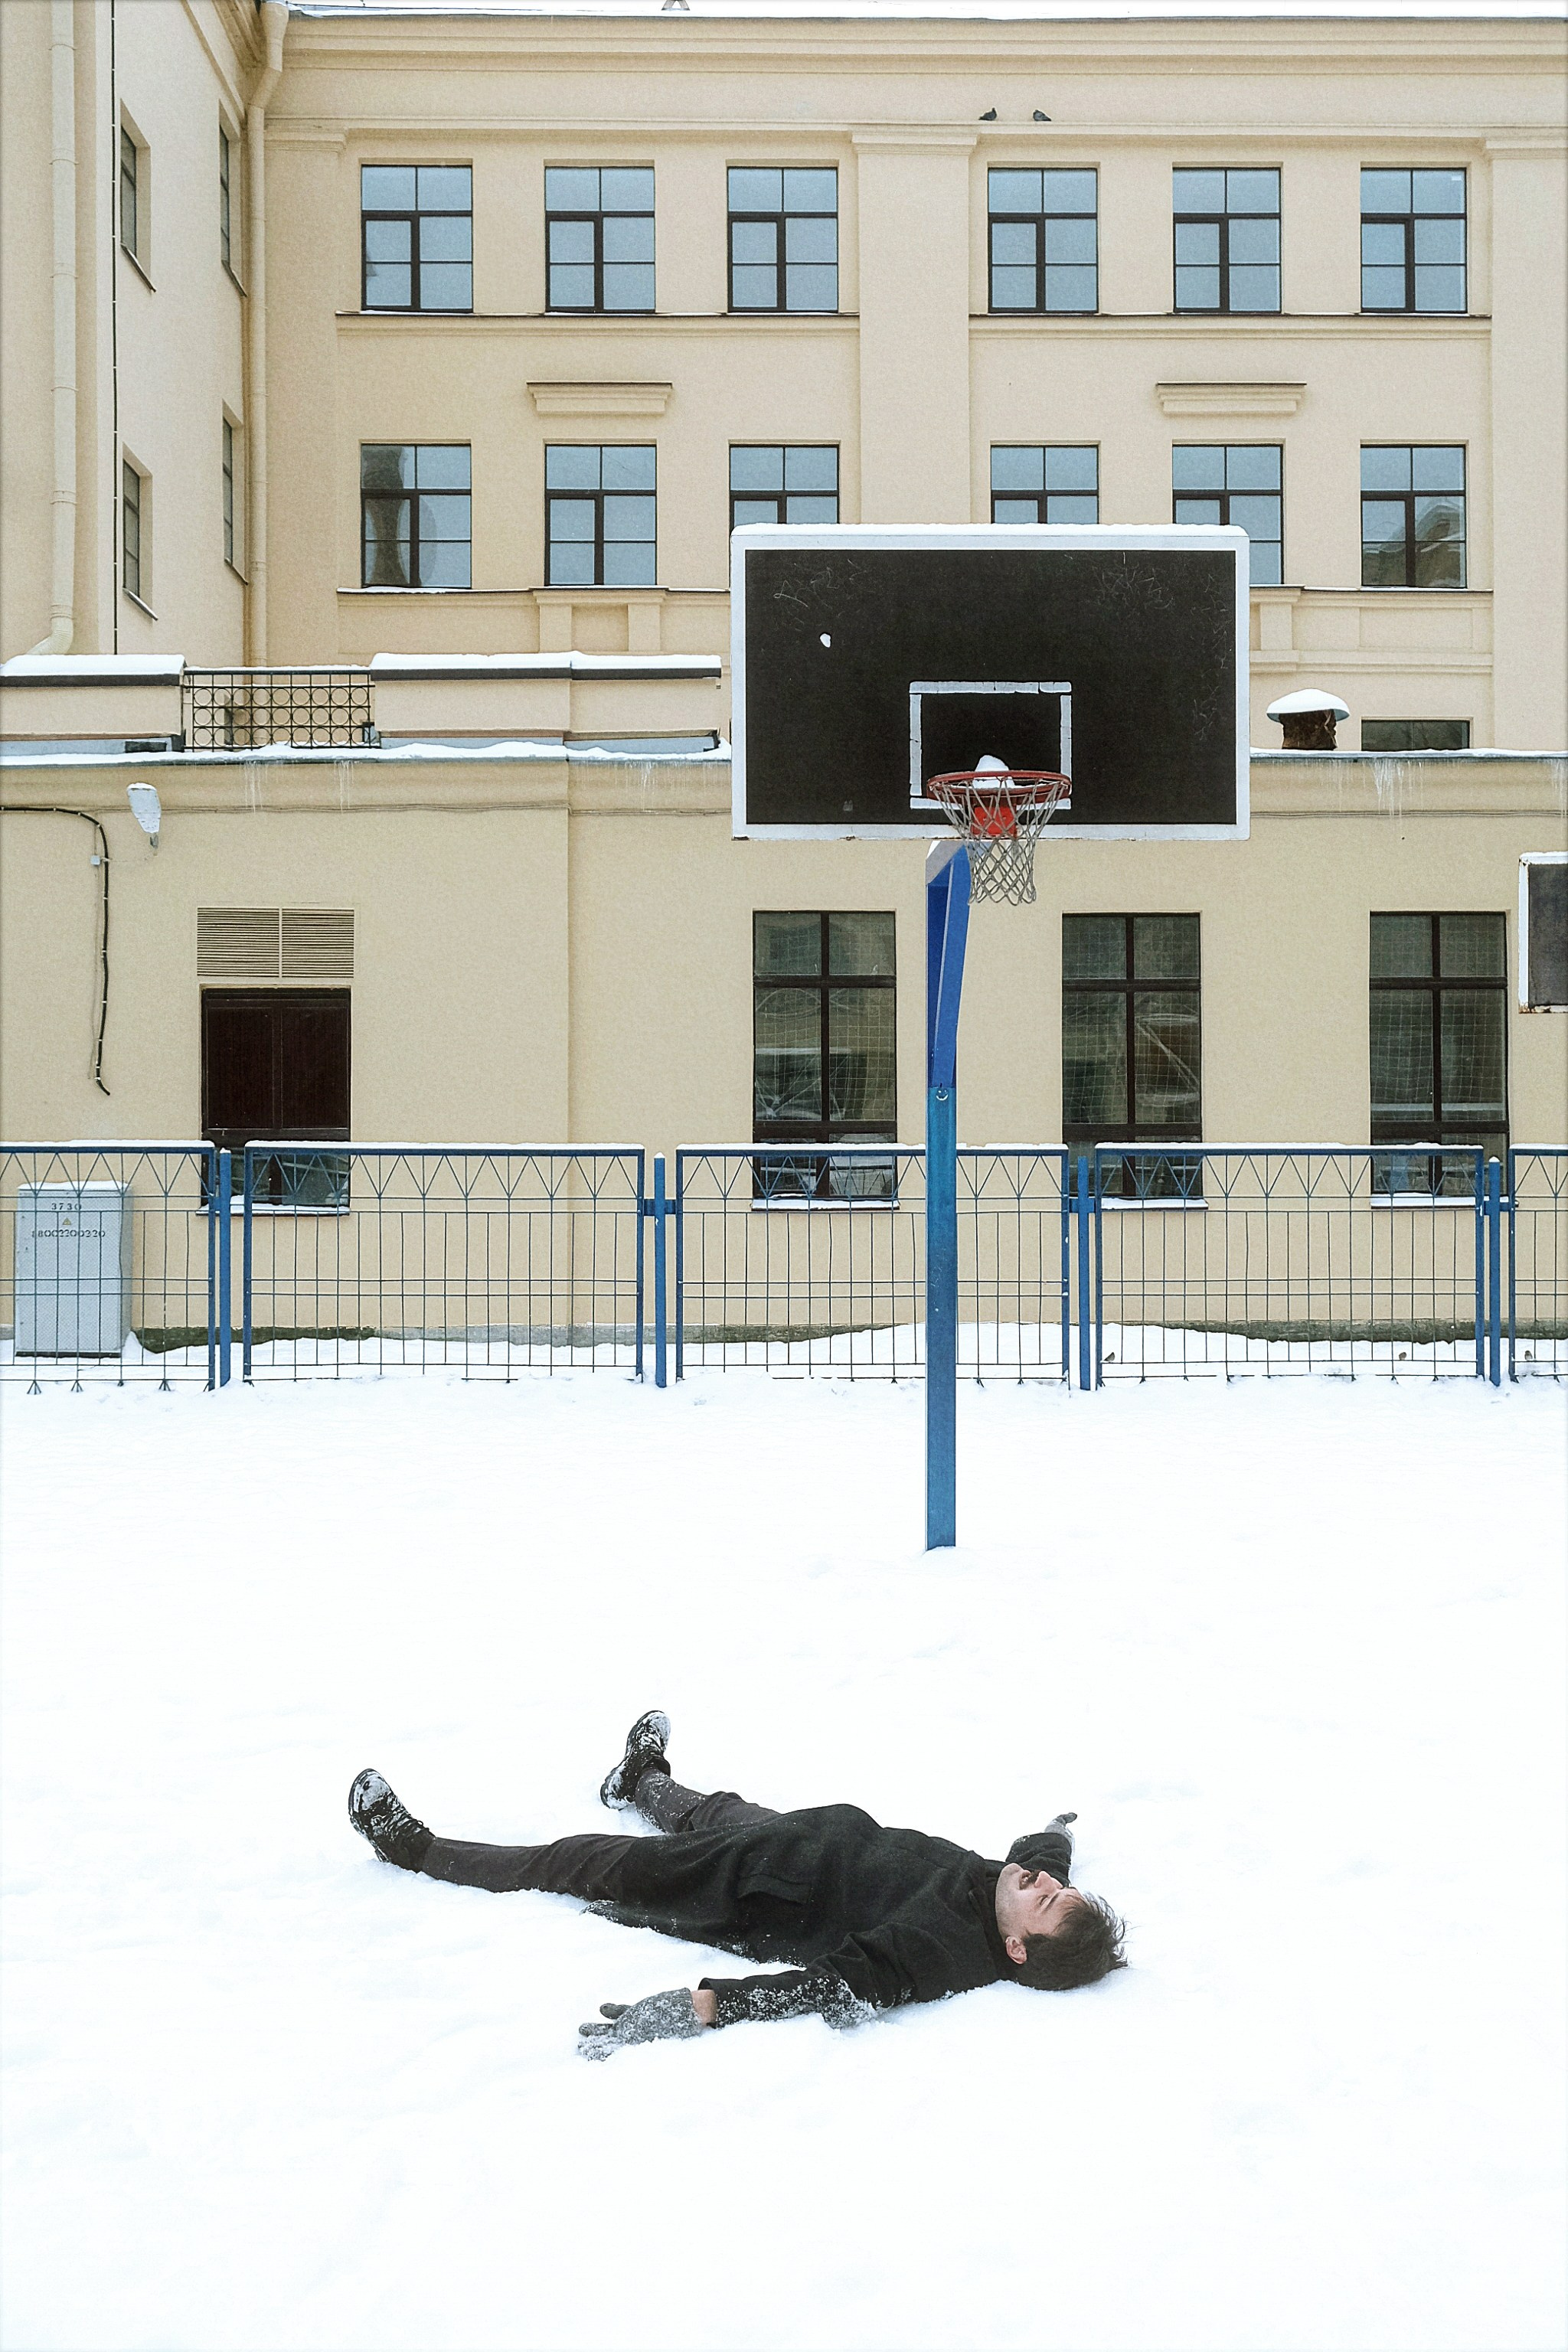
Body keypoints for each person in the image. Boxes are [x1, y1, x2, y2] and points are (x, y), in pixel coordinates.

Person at [348, 1711, 1126, 2058]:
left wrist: (702, 2007)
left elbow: (827, 1989)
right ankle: (640, 1781)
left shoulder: (936, 1952)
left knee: (573, 1860)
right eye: (1054, 1886)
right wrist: (1056, 1833)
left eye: (1047, 1900)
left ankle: (414, 1851)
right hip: (804, 1837)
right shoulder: (1015, 1890)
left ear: (1016, 1951)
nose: (1042, 1882)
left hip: (752, 1886)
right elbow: (1040, 1856)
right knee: (715, 1809)